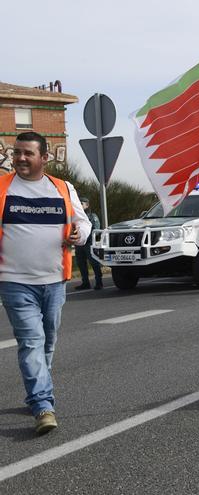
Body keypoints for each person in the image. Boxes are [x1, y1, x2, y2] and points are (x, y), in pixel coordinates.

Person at [0, 131, 91, 434]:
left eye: (27, 153)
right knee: (31, 342)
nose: (20, 158)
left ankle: (38, 384)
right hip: (14, 281)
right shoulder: (2, 187)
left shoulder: (63, 188)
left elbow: (82, 221)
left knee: (48, 341)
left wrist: (81, 232)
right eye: (17, 153)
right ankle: (43, 405)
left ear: (44, 158)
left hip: (54, 281)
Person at [74, 197, 103, 290]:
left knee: (94, 263)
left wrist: (87, 239)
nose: (79, 205)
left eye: (81, 203)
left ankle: (99, 282)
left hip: (89, 243)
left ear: (87, 205)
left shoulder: (92, 216)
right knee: (81, 264)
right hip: (79, 244)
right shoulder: (77, 216)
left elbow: (96, 230)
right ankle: (85, 283)